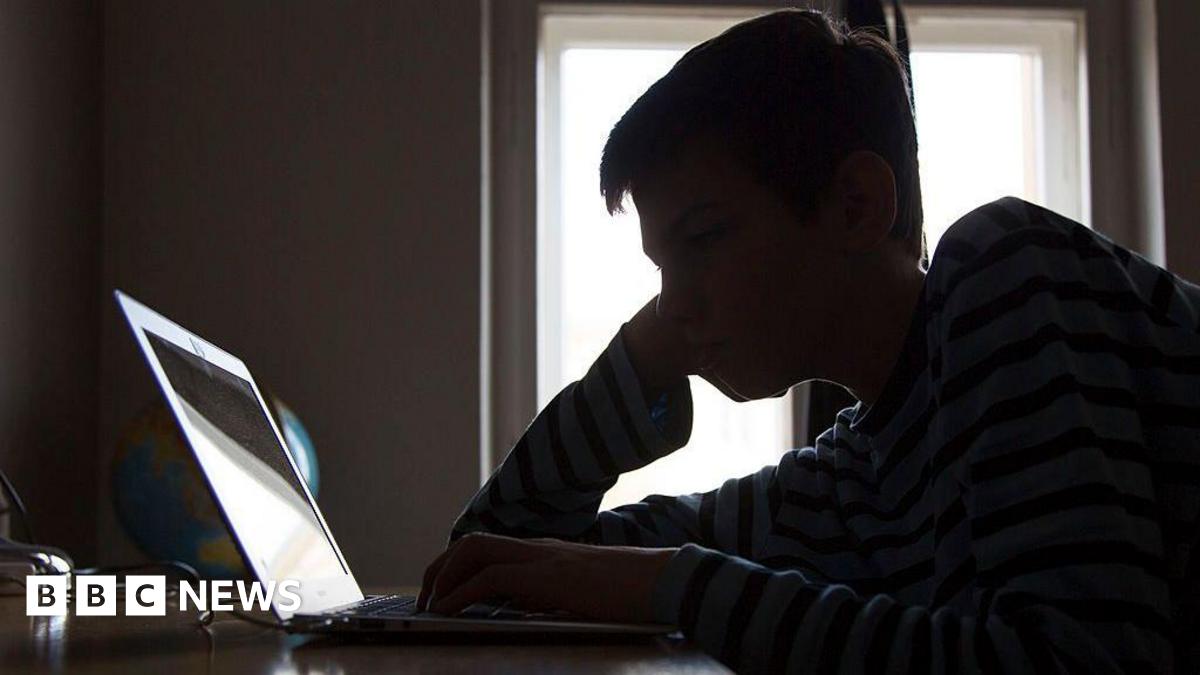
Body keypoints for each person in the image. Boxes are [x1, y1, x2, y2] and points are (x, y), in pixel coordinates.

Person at [418, 8, 1200, 673]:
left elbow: (1084, 660)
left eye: (705, 238)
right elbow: (490, 563)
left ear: (857, 205)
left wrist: (672, 582)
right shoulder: (845, 480)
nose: (674, 303)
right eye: (660, 266)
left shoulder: (1003, 268)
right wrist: (643, 356)